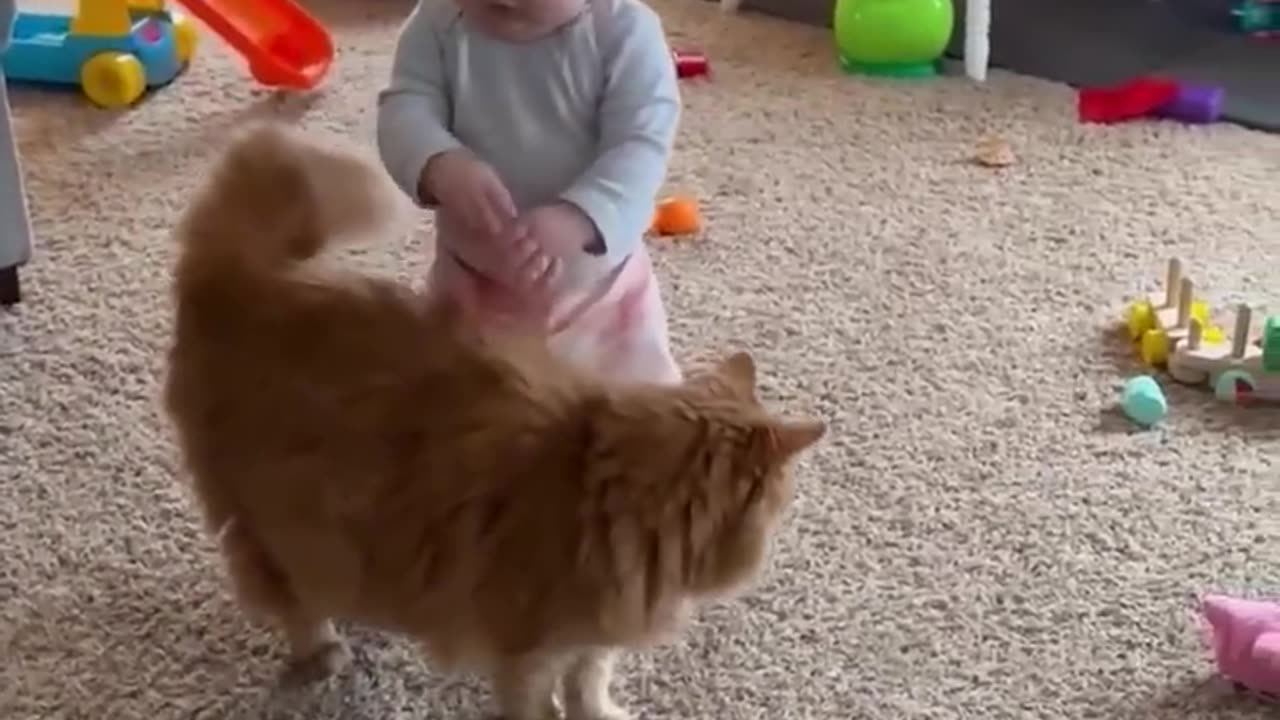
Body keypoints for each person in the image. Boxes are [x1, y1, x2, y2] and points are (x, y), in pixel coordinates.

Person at [376, 0, 684, 384]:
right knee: (459, 401)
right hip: (472, 281)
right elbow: (406, 106)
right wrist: (438, 162)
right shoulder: (439, 20)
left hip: (598, 293)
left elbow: (641, 145)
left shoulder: (625, 31)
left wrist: (582, 215)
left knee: (637, 411)